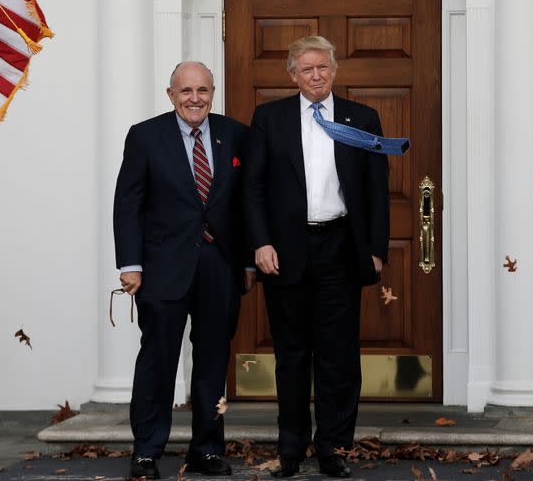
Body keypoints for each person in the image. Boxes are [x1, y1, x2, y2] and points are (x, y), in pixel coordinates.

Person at [243, 36, 390, 478]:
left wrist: (376, 250)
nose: (315, 75)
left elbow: (376, 191)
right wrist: (261, 242)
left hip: (340, 246)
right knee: (291, 354)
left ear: (334, 70)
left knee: (338, 354)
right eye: (305, 69)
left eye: (322, 67)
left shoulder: (362, 118)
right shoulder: (269, 118)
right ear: (292, 74)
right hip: (285, 252)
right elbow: (253, 188)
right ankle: (291, 447)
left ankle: (333, 448)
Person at [113, 61, 256, 479]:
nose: (195, 98)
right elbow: (128, 204)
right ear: (170, 94)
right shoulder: (145, 136)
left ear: (213, 92)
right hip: (162, 268)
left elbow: (245, 205)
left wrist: (247, 261)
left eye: (203, 91)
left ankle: (207, 449)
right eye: (186, 91)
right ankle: (146, 452)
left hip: (220, 266)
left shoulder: (235, 135)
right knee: (158, 361)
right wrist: (130, 264)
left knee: (213, 362)